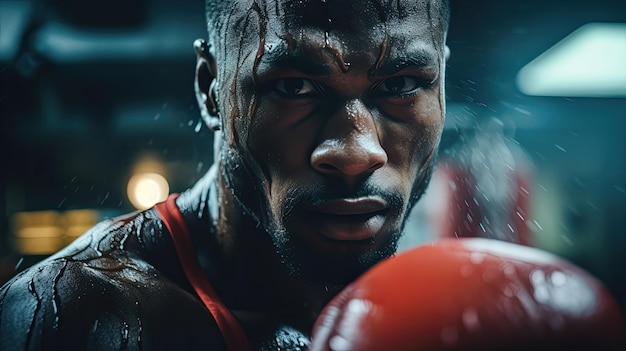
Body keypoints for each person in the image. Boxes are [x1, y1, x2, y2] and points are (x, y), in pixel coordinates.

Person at [1, 1, 625, 350]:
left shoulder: (427, 309)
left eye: (402, 85)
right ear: (211, 91)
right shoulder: (89, 319)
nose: (356, 152)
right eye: (294, 86)